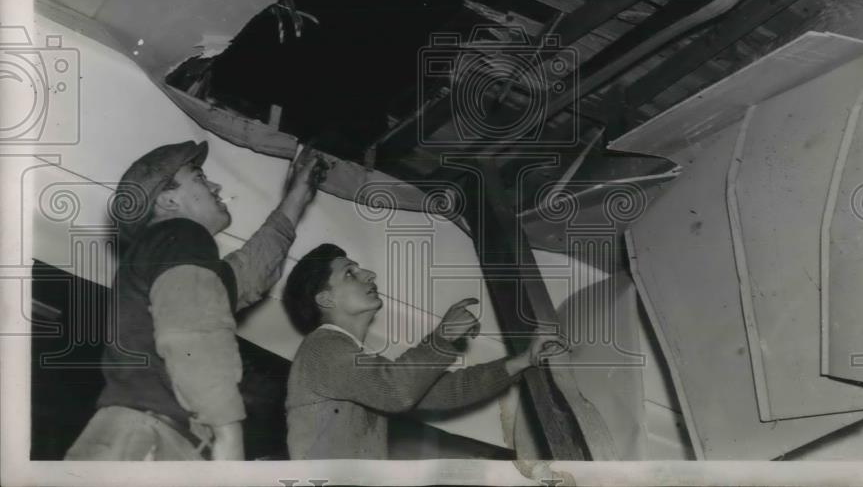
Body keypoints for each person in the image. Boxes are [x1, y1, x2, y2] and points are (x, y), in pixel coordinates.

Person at [65, 139, 327, 461]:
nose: (216, 185)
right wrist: (228, 434)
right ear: (169, 200)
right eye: (200, 177)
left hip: (136, 439)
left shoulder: (166, 252)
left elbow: (251, 271)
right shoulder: (181, 235)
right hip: (148, 441)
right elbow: (195, 334)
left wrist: (297, 196)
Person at [282, 243, 567, 459]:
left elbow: (445, 391)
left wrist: (521, 361)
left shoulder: (354, 360)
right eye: (350, 273)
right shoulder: (322, 349)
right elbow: (396, 391)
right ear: (326, 299)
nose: (369, 274)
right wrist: (442, 338)